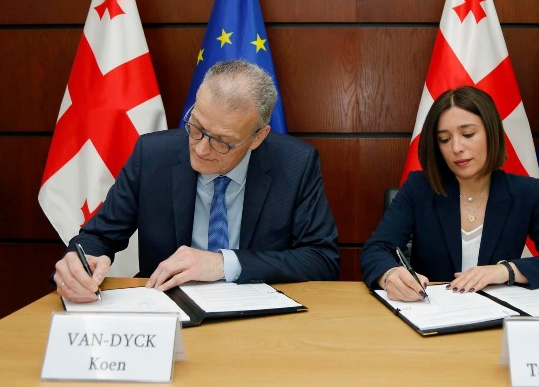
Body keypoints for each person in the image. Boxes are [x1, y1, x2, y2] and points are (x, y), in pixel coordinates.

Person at [54, 60, 340, 302]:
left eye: (223, 142)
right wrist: (81, 261)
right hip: (169, 309)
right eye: (197, 128)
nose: (201, 149)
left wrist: (223, 263)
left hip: (258, 317)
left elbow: (322, 259)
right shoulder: (153, 155)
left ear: (257, 137)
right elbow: (99, 236)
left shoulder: (294, 164)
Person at [360, 86, 539, 301]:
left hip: (497, 316)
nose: (456, 148)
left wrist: (505, 270)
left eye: (468, 134)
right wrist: (389, 275)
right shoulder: (419, 188)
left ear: (491, 133)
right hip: (430, 313)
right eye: (444, 139)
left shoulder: (524, 192)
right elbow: (376, 249)